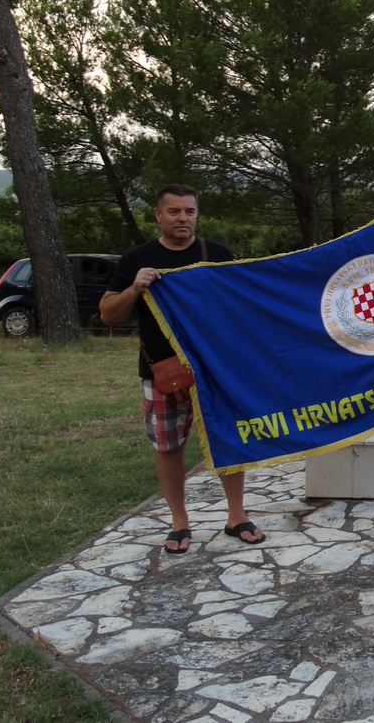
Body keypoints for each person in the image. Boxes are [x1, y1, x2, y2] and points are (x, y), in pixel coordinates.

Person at [100, 184, 265, 554]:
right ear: (158, 215)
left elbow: (239, 306)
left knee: (228, 439)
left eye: (189, 211)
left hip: (214, 370)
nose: (183, 219)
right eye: (174, 212)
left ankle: (236, 515)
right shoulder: (137, 259)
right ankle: (179, 520)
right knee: (169, 447)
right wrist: (135, 288)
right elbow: (109, 315)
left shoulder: (216, 254)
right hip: (162, 371)